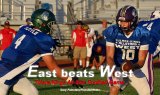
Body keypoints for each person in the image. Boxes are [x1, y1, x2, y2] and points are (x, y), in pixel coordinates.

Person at [0, 9, 82, 95]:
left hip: (9, 70)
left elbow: (31, 39)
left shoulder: (23, 28)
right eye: (50, 24)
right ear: (42, 23)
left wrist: (49, 42)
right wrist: (69, 78)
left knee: (32, 93)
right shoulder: (44, 40)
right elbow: (53, 68)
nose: (51, 27)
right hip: (4, 76)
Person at [103, 5, 151, 95]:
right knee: (114, 88)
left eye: (126, 21)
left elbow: (141, 61)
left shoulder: (142, 33)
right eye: (120, 21)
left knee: (146, 92)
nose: (122, 24)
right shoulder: (113, 31)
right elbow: (109, 57)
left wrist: (131, 66)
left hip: (133, 69)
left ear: (133, 21)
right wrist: (113, 71)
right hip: (116, 66)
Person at [138, 10, 160, 95]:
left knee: (126, 79)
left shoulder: (141, 22)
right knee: (148, 88)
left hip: (131, 50)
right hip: (145, 52)